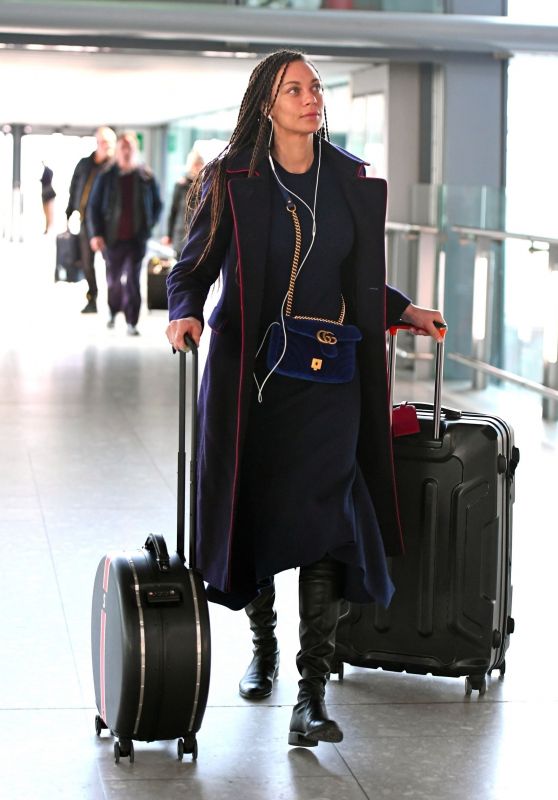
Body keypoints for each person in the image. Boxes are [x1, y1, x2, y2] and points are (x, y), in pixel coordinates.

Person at [166, 50, 446, 747]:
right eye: (295, 89)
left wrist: (403, 310)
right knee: (256, 512)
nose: (310, 98)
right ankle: (263, 647)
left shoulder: (348, 181)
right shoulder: (233, 179)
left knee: (327, 520)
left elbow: (355, 279)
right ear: (268, 102)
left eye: (315, 87)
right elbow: (193, 264)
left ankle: (312, 692)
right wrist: (184, 310)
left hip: (331, 380)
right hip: (253, 378)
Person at [87, 131, 162, 336]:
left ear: (134, 150)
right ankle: (113, 310)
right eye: (123, 147)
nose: (126, 151)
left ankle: (132, 321)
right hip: (112, 238)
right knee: (113, 280)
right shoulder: (106, 176)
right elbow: (93, 207)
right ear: (117, 150)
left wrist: (149, 227)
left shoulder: (145, 175)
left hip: (136, 239)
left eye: (129, 147)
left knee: (132, 280)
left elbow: (158, 204)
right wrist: (96, 234)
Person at [66, 126, 117, 314]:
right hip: (85, 221)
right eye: (104, 142)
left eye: (110, 143)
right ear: (97, 143)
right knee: (87, 263)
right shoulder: (85, 163)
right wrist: (69, 211)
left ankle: (113, 303)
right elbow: (74, 188)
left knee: (111, 264)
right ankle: (92, 297)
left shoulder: (114, 168)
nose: (107, 146)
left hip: (107, 224)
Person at [161, 147, 205, 256]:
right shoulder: (181, 185)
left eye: (200, 164)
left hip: (200, 236)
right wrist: (169, 235)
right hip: (181, 236)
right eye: (195, 164)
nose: (197, 167)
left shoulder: (206, 185)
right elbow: (173, 211)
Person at [40, 162, 56, 233]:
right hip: (46, 194)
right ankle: (48, 227)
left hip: (47, 194)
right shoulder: (47, 173)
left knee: (48, 212)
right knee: (47, 213)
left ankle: (48, 227)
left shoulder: (48, 172)